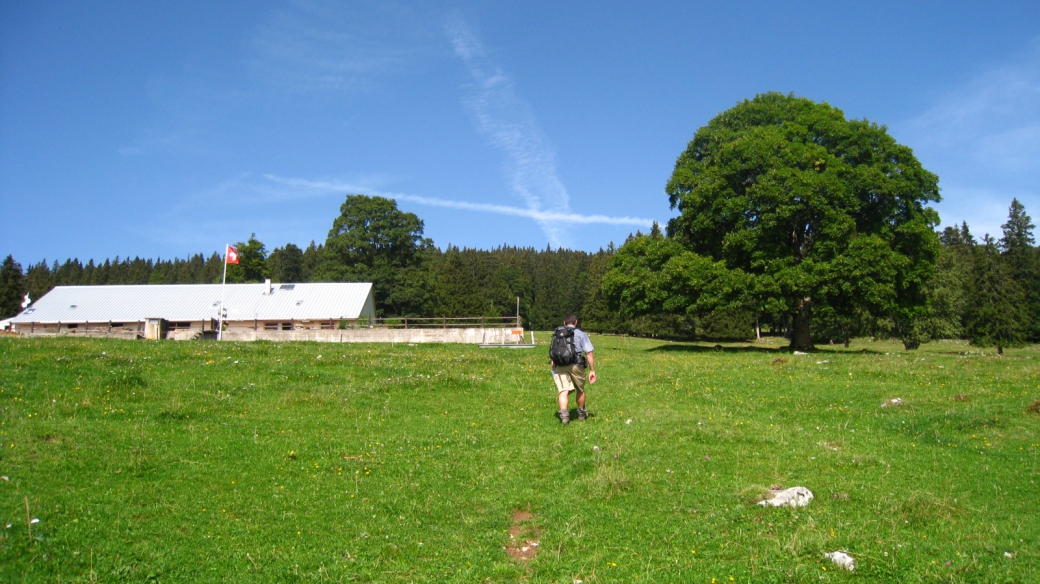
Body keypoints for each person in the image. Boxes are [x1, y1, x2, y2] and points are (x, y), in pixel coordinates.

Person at [550, 314, 596, 425]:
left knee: (563, 391)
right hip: (577, 364)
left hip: (560, 365)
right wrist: (592, 370)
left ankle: (564, 417)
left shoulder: (557, 334)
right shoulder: (581, 334)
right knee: (580, 390)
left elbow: (554, 353)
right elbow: (589, 353)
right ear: (576, 322)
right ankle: (581, 413)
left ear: (564, 322)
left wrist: (554, 367)